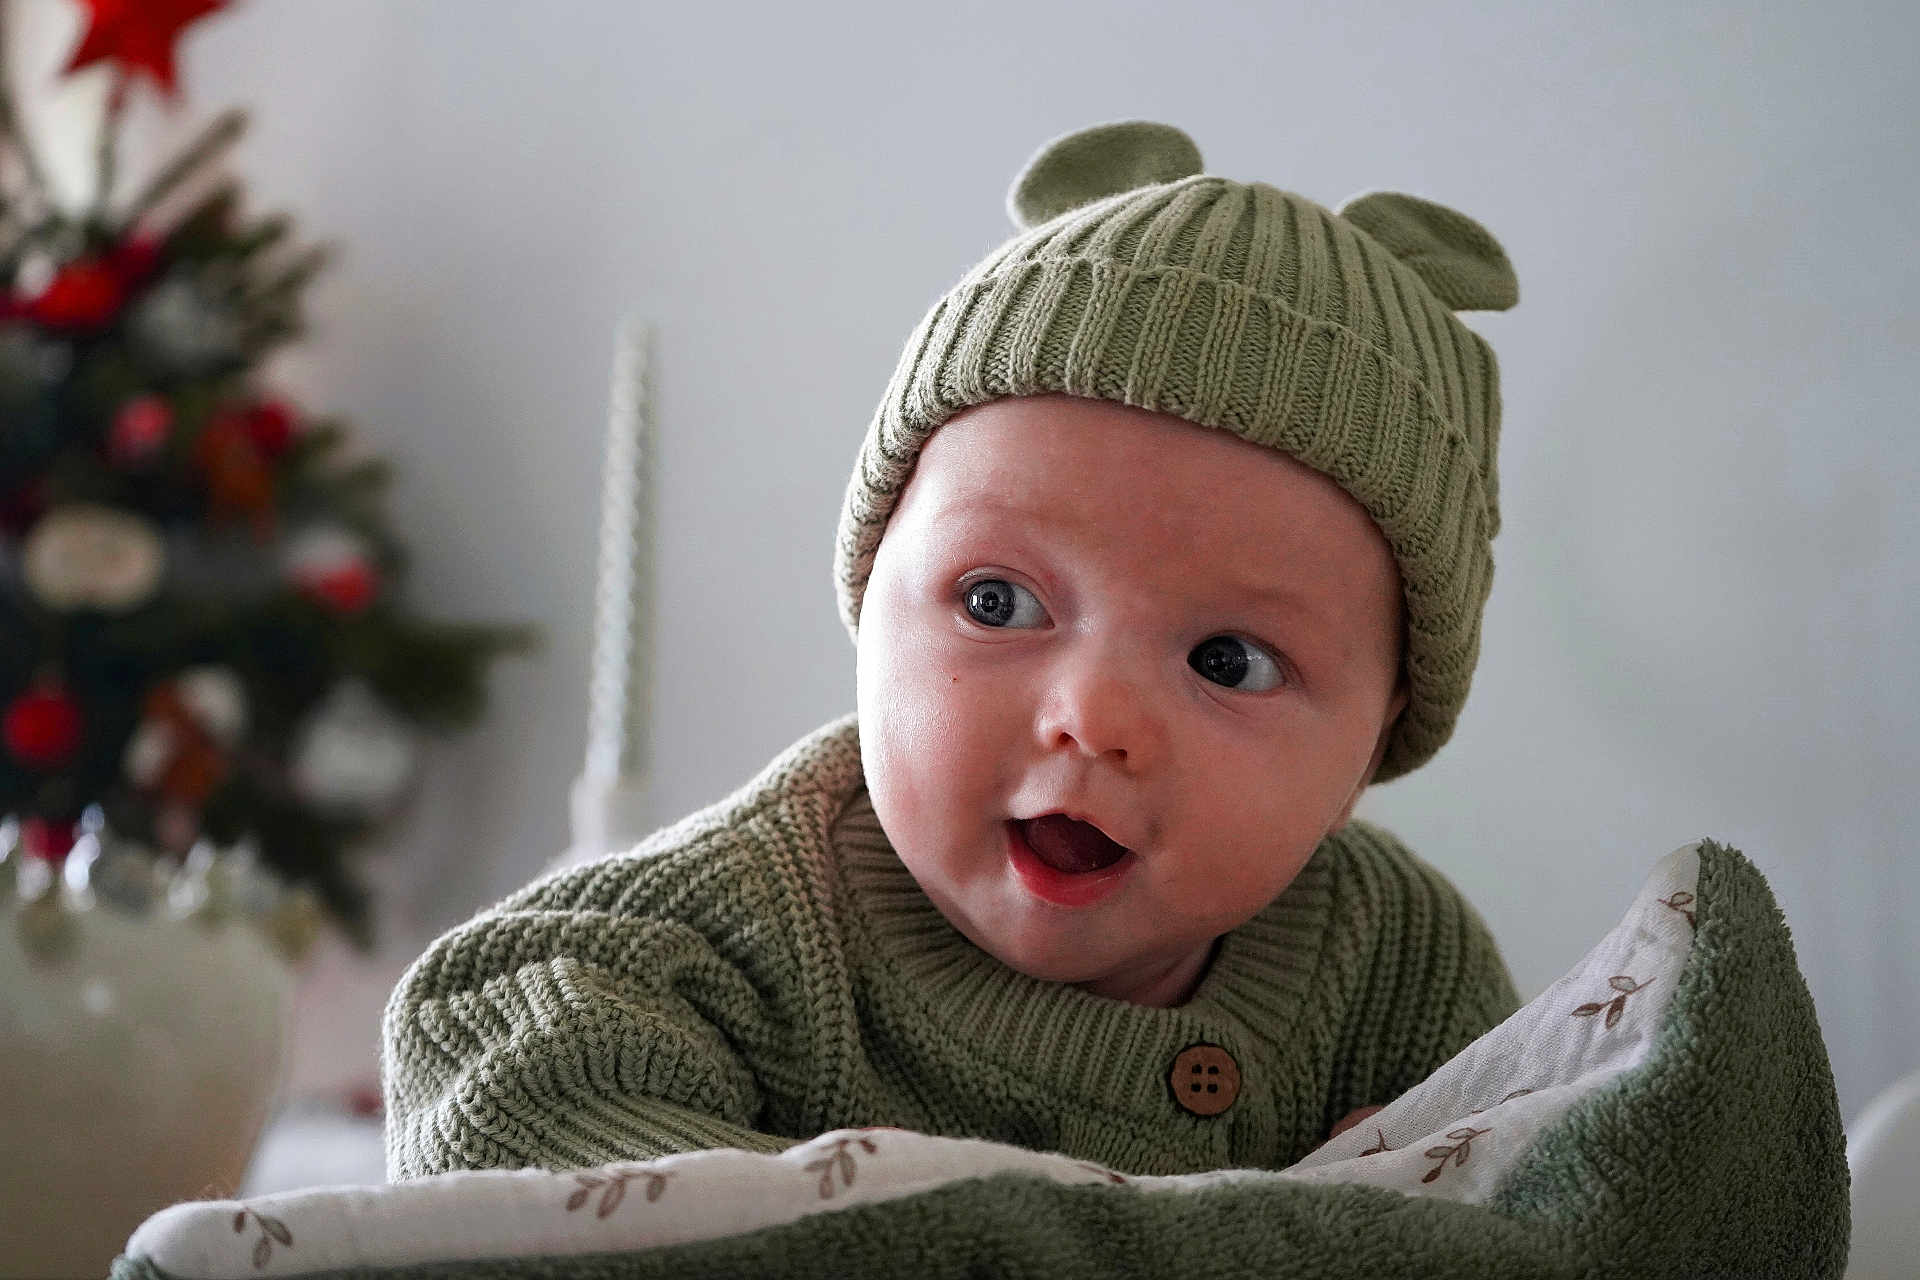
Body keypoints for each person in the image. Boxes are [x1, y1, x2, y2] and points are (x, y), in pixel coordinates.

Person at [381, 120, 1522, 1181]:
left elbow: (1565, 1178)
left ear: (1373, 744)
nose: (1093, 716)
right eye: (995, 598)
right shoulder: (752, 923)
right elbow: (485, 1079)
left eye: (1228, 660)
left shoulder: (1400, 969)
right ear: (870, 593)